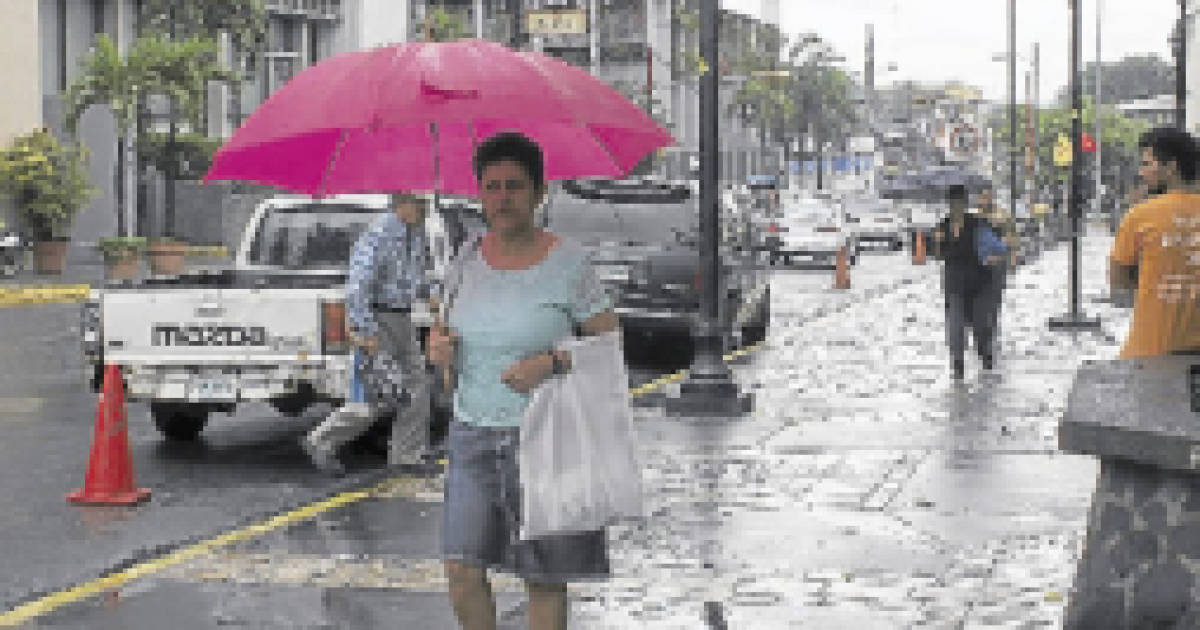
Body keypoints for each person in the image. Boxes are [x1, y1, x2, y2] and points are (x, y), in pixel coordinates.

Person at [427, 132, 619, 630]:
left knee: (544, 577)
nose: (502, 197)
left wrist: (551, 363)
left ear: (539, 193)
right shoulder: (464, 261)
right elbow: (445, 345)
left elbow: (607, 347)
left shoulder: (569, 264)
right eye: (491, 187)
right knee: (461, 569)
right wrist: (439, 350)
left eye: (514, 186)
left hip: (544, 440)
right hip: (472, 436)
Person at [302, 192, 436, 474]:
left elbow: (417, 277)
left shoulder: (416, 234)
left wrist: (432, 295)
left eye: (425, 203)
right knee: (374, 398)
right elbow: (358, 285)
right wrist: (366, 330)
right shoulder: (379, 234)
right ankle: (321, 441)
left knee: (417, 388)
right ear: (402, 203)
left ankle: (406, 456)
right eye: (419, 203)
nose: (424, 209)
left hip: (403, 318)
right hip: (378, 318)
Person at [1108, 127, 1200, 358]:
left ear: (1171, 167)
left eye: (1148, 164)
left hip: (1151, 350)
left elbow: (1118, 280)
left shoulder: (1140, 216)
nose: (1142, 172)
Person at [933, 184, 1001, 380]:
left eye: (959, 203)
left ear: (964, 204)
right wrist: (937, 243)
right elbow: (939, 255)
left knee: (980, 326)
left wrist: (994, 258)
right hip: (954, 284)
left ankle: (985, 354)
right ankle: (958, 364)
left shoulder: (977, 223)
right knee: (955, 327)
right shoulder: (943, 226)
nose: (955, 208)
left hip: (979, 282)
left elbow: (995, 246)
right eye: (952, 204)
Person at [975, 185, 1019, 357]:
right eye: (981, 197)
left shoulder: (1002, 216)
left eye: (987, 196)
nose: (984, 200)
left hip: (997, 263)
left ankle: (990, 328)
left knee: (994, 297)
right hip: (977, 264)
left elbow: (1012, 237)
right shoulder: (972, 217)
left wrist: (1012, 256)